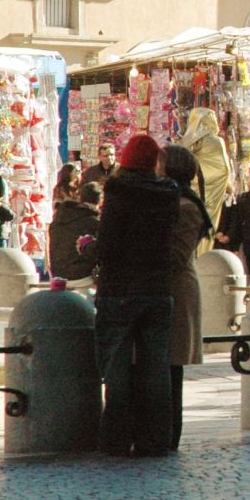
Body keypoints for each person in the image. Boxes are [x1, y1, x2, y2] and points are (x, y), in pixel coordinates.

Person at [91, 134, 181, 457]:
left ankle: (115, 439)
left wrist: (91, 246)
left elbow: (109, 245)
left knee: (115, 366)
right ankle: (155, 440)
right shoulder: (169, 194)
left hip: (120, 290)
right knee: (156, 370)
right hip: (157, 289)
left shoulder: (118, 192)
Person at [157, 145, 212, 451]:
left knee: (171, 367)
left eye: (160, 163)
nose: (156, 168)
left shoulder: (187, 205)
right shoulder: (175, 200)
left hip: (177, 289)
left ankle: (170, 435)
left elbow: (176, 254)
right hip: (169, 287)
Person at [180, 108, 233, 247]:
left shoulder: (185, 143)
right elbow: (223, 169)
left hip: (192, 190)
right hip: (210, 192)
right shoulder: (216, 141)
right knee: (207, 224)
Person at [47, 181, 102, 280]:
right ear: (100, 201)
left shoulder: (59, 218)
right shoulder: (94, 222)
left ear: (80, 198)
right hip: (82, 276)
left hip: (57, 274)